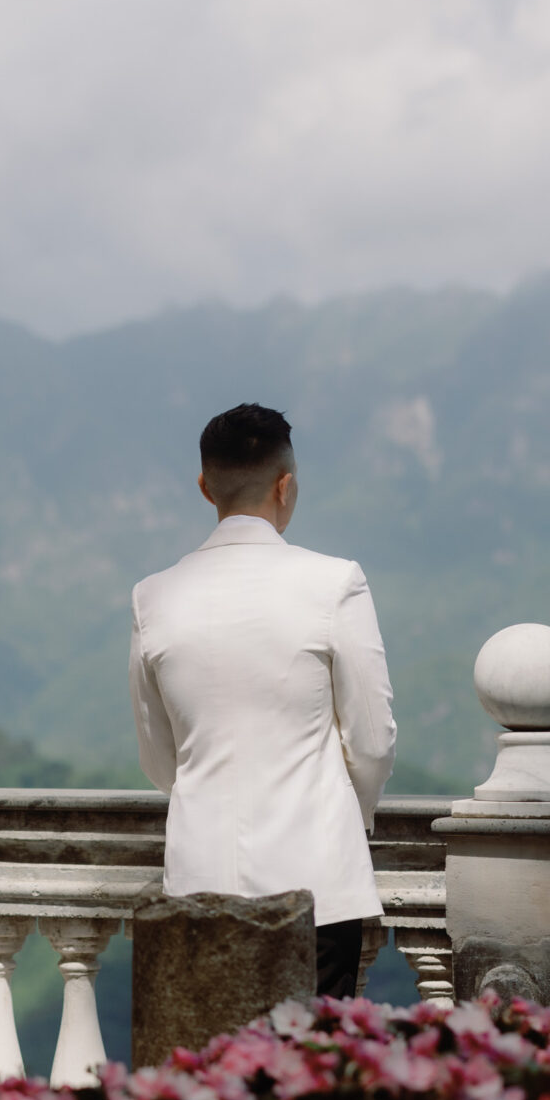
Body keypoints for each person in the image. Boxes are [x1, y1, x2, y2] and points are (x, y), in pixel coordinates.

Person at [128, 403, 397, 1000]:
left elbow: (158, 757)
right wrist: (348, 814)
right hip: (319, 887)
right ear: (286, 485)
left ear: (205, 487)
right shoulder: (335, 583)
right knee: (309, 1072)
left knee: (212, 1072)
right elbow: (373, 740)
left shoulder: (154, 598)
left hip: (198, 885)